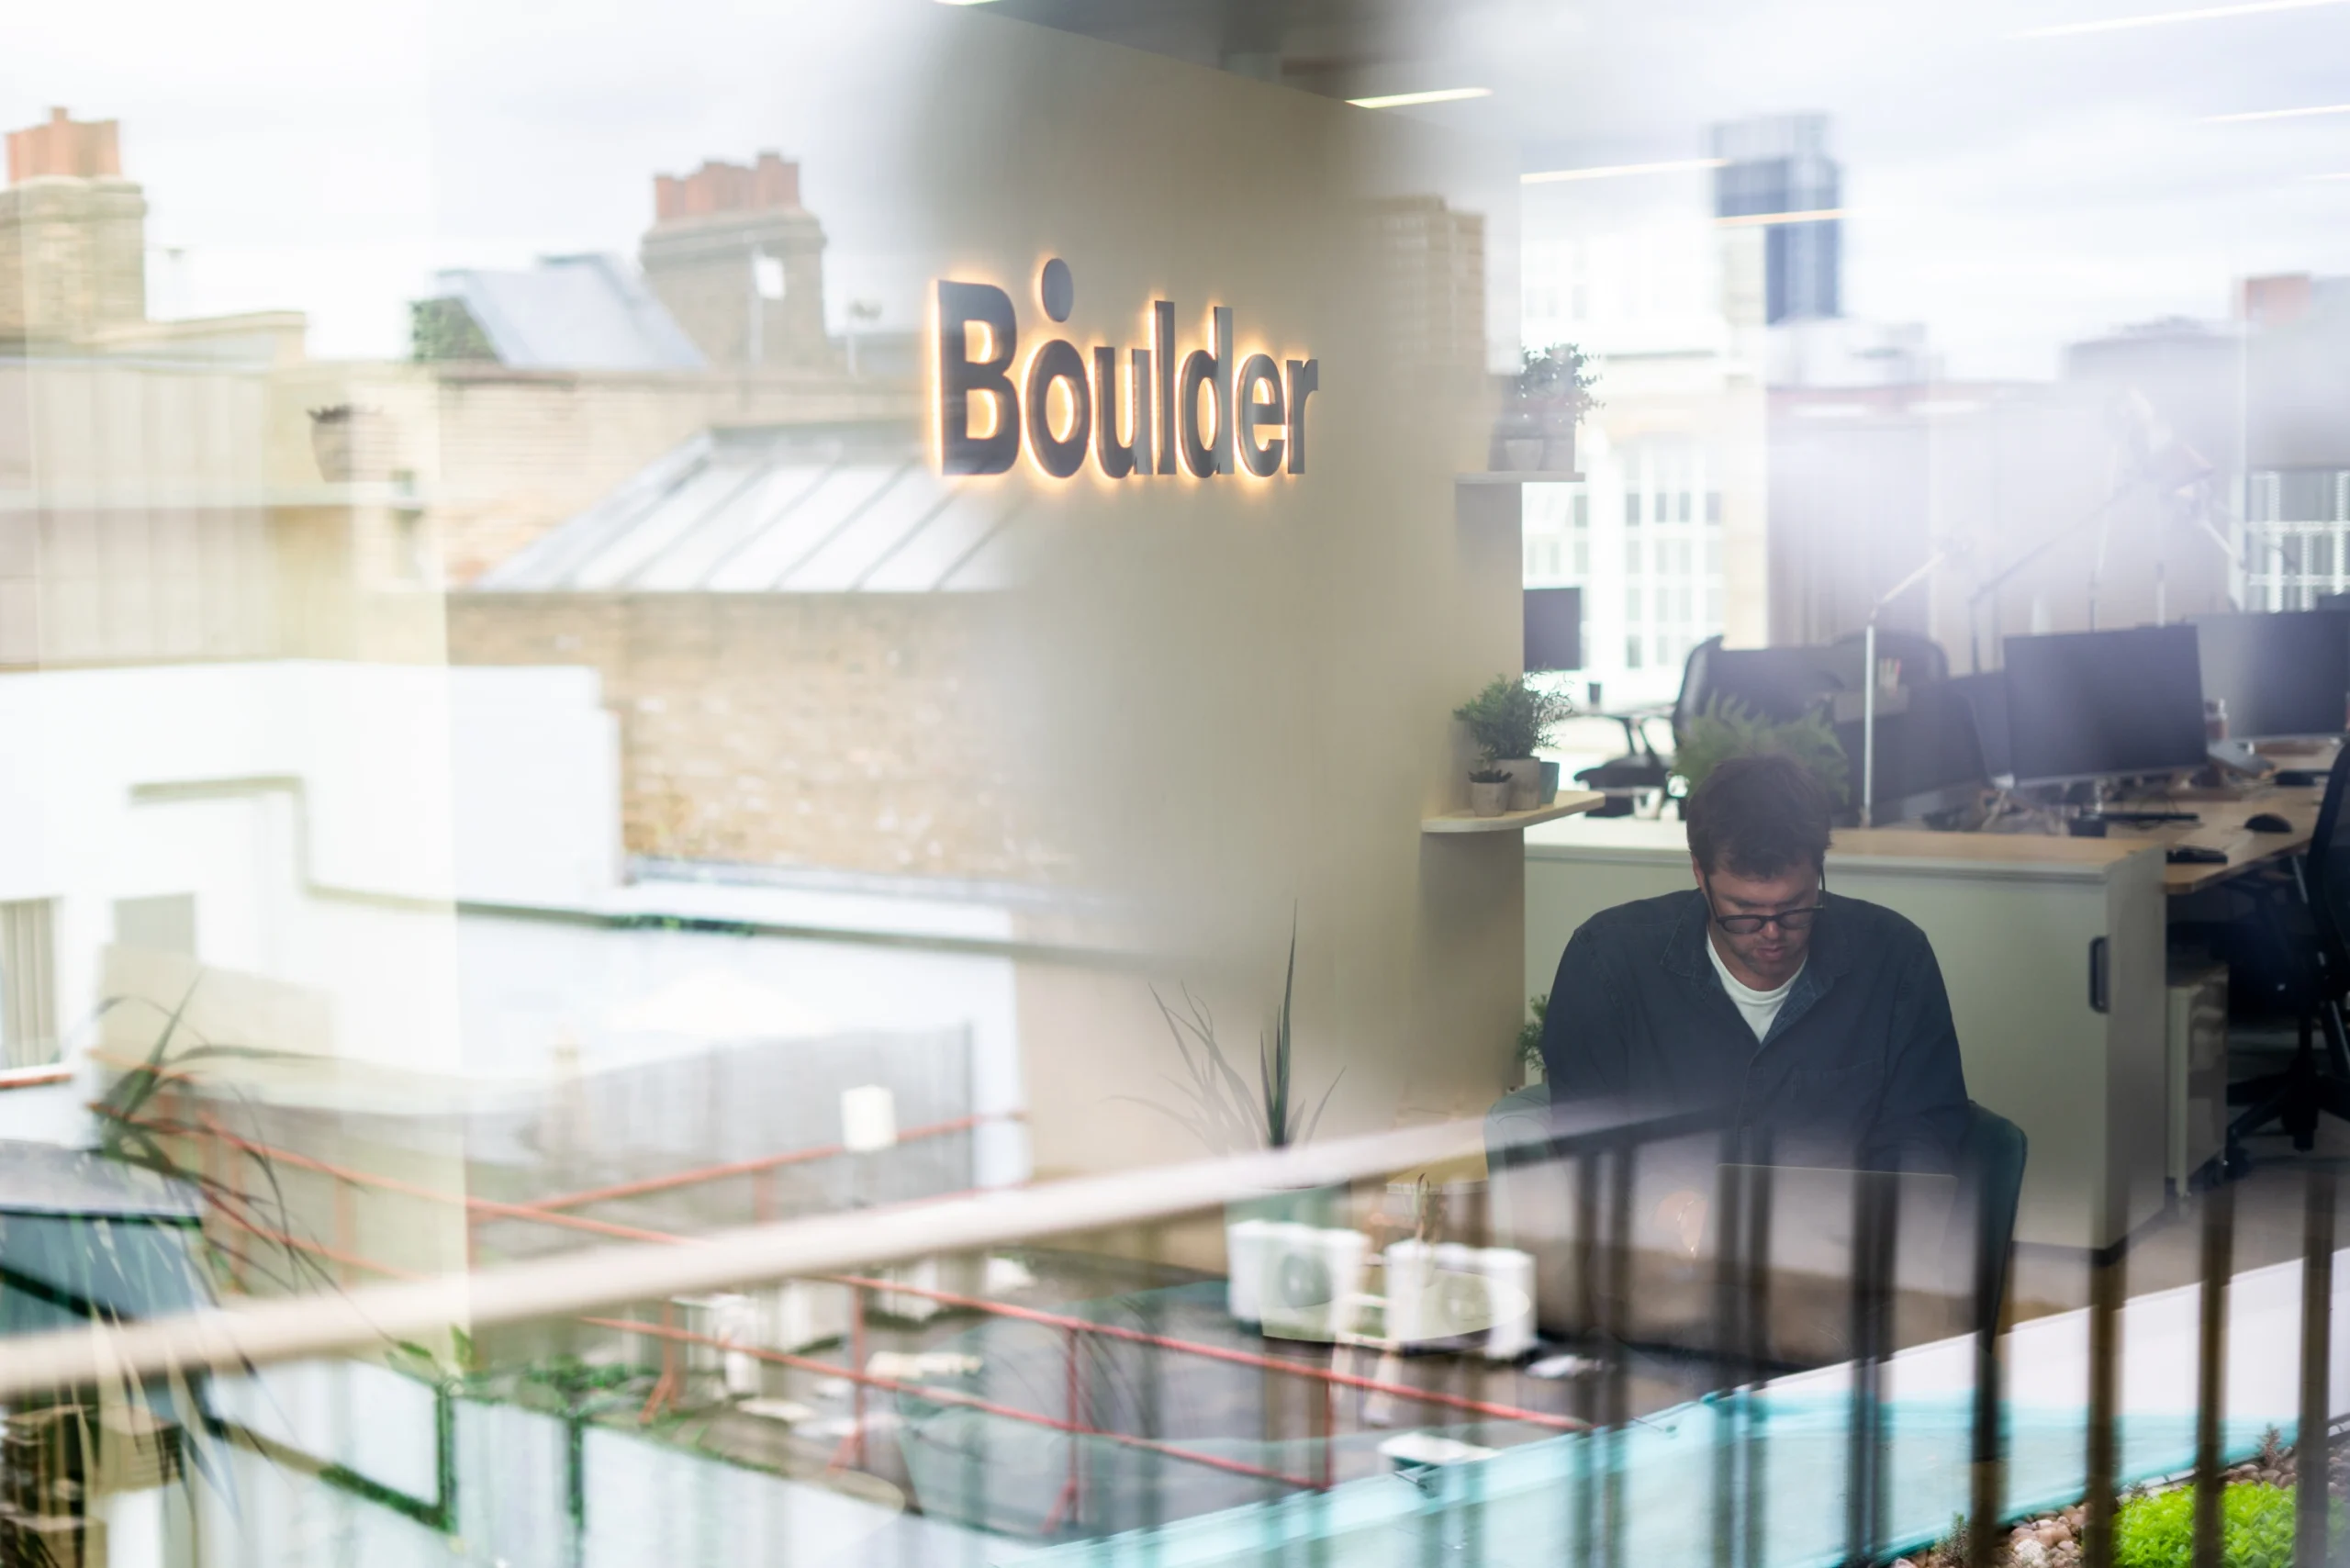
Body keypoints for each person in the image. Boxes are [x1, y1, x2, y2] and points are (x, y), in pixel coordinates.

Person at [1537, 752, 1969, 1171]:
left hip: (1839, 1237)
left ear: (1818, 870)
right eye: (1745, 910)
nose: (1773, 932)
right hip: (1657, 1237)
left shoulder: (1895, 961)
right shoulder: (1608, 963)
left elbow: (1924, 1139)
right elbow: (1585, 1150)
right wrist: (1667, 1213)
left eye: (1795, 907)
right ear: (1699, 875)